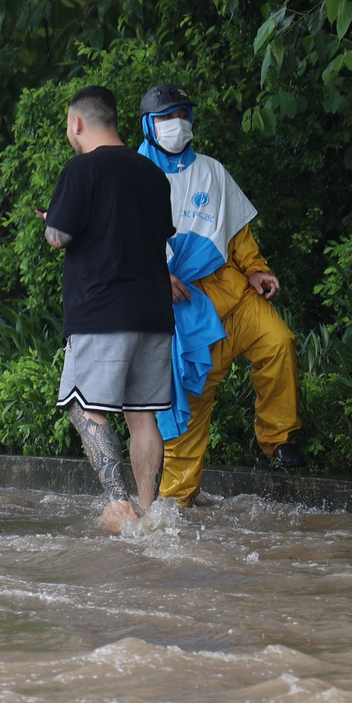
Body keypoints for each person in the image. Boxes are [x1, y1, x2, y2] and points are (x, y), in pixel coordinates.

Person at [134, 83, 305, 504]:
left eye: (183, 115)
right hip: (181, 308)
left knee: (278, 342)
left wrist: (257, 270)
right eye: (167, 117)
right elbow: (123, 245)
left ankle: (279, 437)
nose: (177, 124)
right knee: (190, 410)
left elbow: (237, 232)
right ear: (147, 125)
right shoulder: (133, 175)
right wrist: (156, 279)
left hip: (232, 292)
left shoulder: (212, 170)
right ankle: (174, 511)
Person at [42, 85, 176, 535]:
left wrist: (52, 224)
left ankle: (119, 506)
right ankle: (150, 510)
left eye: (68, 124)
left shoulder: (82, 169)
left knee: (83, 407)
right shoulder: (154, 174)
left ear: (77, 123)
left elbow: (60, 236)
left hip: (102, 311)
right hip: (154, 312)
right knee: (143, 414)